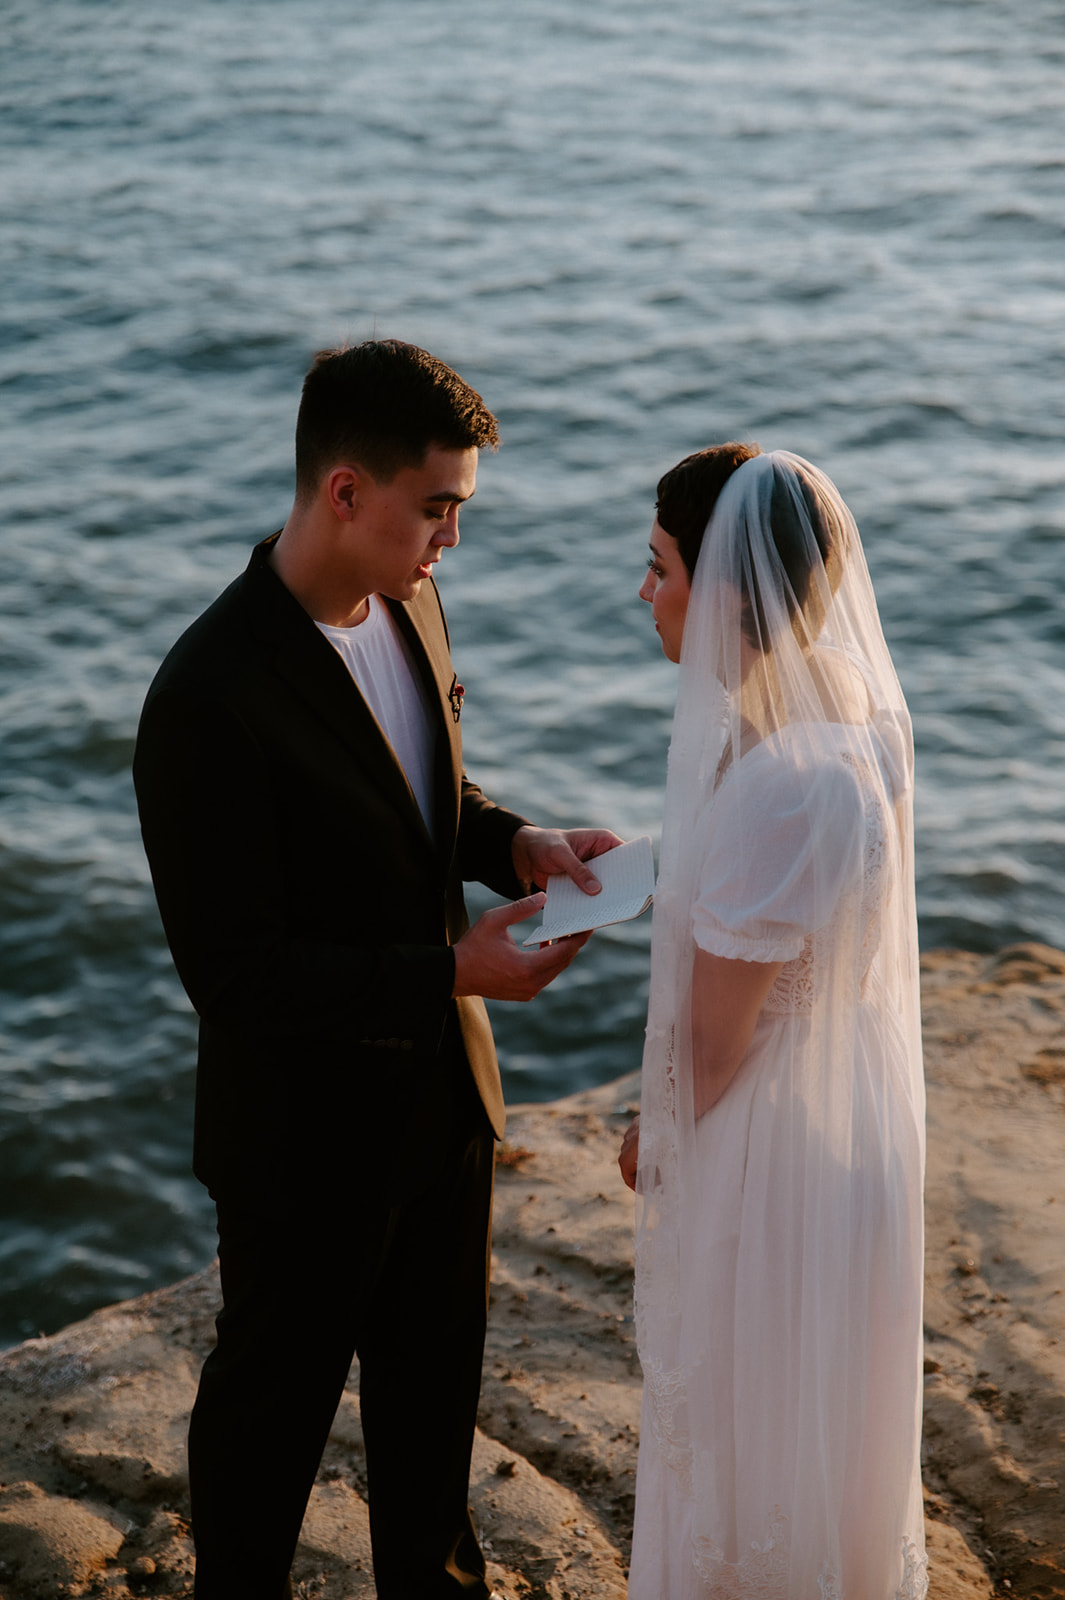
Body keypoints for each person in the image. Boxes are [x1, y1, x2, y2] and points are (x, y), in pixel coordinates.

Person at [133, 339, 620, 1600]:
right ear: (346, 491)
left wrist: (513, 840)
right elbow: (235, 976)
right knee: (262, 1451)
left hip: (444, 1118)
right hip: (300, 1149)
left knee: (431, 1440)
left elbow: (418, 802)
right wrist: (449, 971)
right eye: (438, 507)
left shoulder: (408, 597)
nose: (451, 539)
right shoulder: (207, 696)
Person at [619, 446, 926, 1598]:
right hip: (845, 1120)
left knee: (750, 1428)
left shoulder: (778, 776)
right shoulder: (849, 716)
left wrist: (659, 1131)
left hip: (768, 1149)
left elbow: (715, 1036)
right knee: (821, 1422)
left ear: (728, 591)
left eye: (658, 568)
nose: (644, 593)